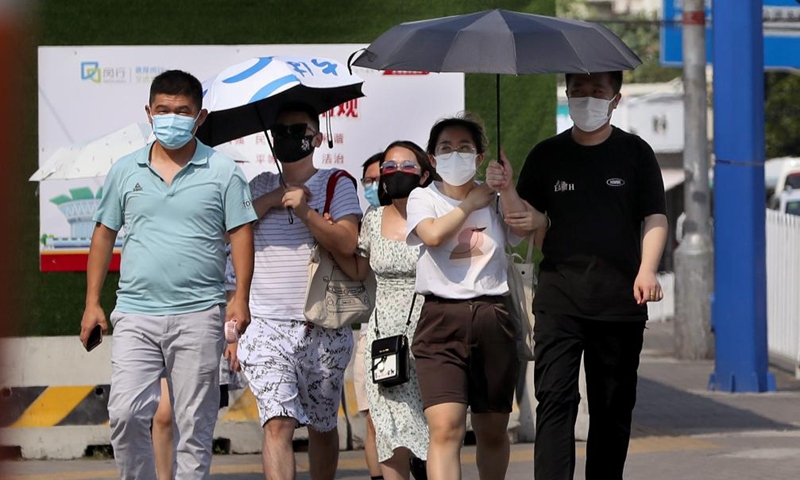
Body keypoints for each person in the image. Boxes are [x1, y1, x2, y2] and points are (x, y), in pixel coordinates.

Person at [79, 69, 256, 480]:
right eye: (163, 110)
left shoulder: (224, 171)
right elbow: (104, 235)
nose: (171, 118)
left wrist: (240, 297)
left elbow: (241, 233)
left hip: (199, 314)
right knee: (123, 414)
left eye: (182, 111)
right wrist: (92, 303)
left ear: (200, 117)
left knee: (196, 424)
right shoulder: (126, 170)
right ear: (148, 112)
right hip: (136, 314)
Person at [512, 71, 668, 480]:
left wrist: (647, 270)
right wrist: (509, 193)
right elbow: (521, 222)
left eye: (597, 91)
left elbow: (655, 215)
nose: (587, 98)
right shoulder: (546, 155)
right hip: (559, 300)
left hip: (621, 302)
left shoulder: (636, 152)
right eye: (578, 90)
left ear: (615, 98)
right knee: (555, 400)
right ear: (567, 92)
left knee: (612, 407)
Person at [237, 102, 362, 480]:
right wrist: (273, 200)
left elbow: (347, 241)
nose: (290, 138)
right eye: (282, 132)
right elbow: (232, 225)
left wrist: (306, 213)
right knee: (278, 424)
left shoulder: (336, 181)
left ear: (318, 137)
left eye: (299, 130)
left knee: (323, 426)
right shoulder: (258, 185)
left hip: (322, 325)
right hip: (266, 326)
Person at [405, 114, 531, 480]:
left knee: (492, 429)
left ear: (479, 157)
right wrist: (468, 204)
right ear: (432, 158)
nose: (454, 154)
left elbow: (522, 226)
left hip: (493, 317)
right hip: (440, 321)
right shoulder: (422, 197)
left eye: (464, 148)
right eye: (445, 148)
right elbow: (431, 236)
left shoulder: (492, 198)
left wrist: (505, 188)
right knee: (445, 427)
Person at [332, 141, 436, 480]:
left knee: (434, 426)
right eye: (388, 167)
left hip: (431, 331)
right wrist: (327, 238)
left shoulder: (437, 214)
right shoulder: (373, 220)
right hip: (383, 338)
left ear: (424, 173)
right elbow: (360, 270)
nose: (394, 173)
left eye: (405, 166)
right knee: (386, 428)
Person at [355, 151, 387, 480]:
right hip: (373, 333)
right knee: (373, 419)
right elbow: (357, 270)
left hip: (418, 333)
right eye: (369, 180)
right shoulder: (366, 221)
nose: (375, 185)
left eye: (382, 178)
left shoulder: (420, 217)